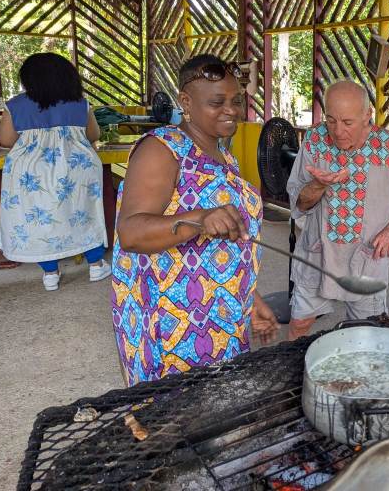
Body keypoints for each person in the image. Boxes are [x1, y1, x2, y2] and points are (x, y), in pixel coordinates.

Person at [111, 54, 279, 386]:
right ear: (186, 101)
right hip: (173, 319)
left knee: (215, 406)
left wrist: (251, 297)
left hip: (220, 313)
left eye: (236, 100)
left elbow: (229, 244)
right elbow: (130, 232)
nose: (231, 110)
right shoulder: (161, 150)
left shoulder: (222, 154)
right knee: (173, 415)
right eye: (217, 102)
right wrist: (198, 219)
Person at [286, 80, 389, 339]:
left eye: (347, 123)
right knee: (300, 325)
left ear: (367, 115)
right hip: (318, 254)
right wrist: (317, 185)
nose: (337, 131)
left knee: (365, 333)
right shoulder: (315, 140)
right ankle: (291, 374)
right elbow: (300, 203)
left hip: (366, 260)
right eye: (331, 120)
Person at [0, 53, 109, 291]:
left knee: (39, 221)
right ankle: (96, 265)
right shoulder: (80, 103)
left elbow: (6, 140)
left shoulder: (15, 105)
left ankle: (50, 273)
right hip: (78, 170)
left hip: (32, 177)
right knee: (83, 214)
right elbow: (94, 135)